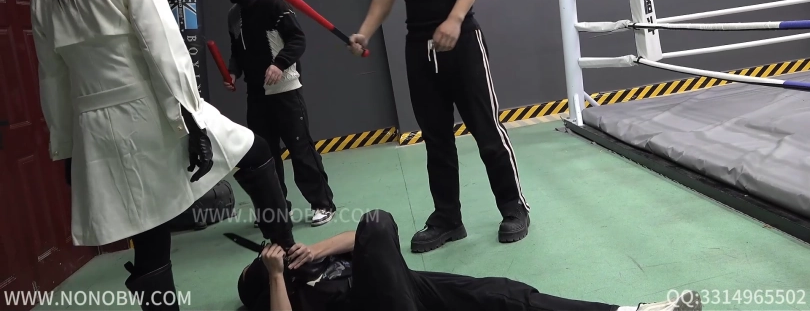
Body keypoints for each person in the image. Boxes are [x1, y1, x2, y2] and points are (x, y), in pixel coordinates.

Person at [31, 0, 295, 311]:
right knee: (257, 152)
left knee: (150, 232)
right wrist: (193, 121)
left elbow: (52, 78)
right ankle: (287, 258)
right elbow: (166, 51)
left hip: (97, 130)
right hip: (154, 110)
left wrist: (67, 150)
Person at [348, 0, 529, 253]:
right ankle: (448, 219)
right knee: (436, 139)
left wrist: (454, 19)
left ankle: (514, 207)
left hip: (461, 41)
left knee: (486, 129)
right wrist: (365, 31)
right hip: (419, 47)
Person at [237, 210, 703, 311]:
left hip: (407, 288)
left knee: (504, 294)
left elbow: (362, 237)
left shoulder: (309, 264)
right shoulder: (281, 295)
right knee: (376, 226)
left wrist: (313, 250)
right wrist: (275, 276)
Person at [219, 0, 336, 227]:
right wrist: (233, 72)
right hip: (256, 94)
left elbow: (298, 38)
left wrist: (279, 64)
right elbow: (237, 50)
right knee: (265, 155)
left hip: (285, 90)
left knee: (300, 148)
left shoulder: (273, 4)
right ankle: (277, 210)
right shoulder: (233, 15)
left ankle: (322, 204)